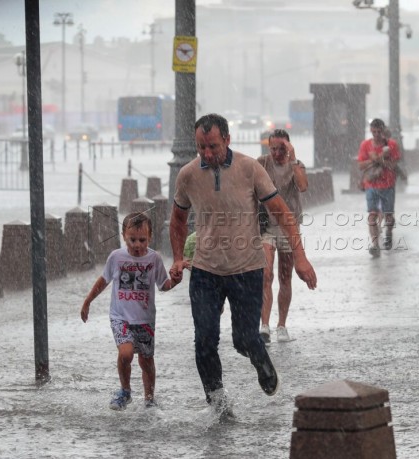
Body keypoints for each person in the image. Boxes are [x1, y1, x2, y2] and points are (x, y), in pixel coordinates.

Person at [169, 113, 317, 417]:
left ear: (227, 139)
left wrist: (300, 257)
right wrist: (176, 257)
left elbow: (282, 212)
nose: (207, 154)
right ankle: (218, 402)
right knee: (205, 340)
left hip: (247, 268)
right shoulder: (187, 174)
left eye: (212, 146)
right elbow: (178, 219)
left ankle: (259, 357)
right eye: (201, 148)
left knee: (243, 339)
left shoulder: (249, 169)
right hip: (206, 271)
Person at [80, 212, 182, 411]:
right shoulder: (116, 257)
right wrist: (87, 301)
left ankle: (149, 399)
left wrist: (175, 282)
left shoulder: (154, 259)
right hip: (121, 317)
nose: (137, 245)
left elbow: (163, 285)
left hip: (145, 319)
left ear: (150, 237)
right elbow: (103, 281)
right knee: (126, 354)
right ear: (123, 236)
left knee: (146, 360)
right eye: (132, 239)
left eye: (142, 240)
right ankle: (125, 391)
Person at [257, 129, 308, 344]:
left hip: (288, 227)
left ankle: (282, 325)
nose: (277, 153)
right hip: (266, 226)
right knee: (266, 274)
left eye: (282, 148)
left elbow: (303, 186)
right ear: (268, 148)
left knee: (285, 277)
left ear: (289, 146)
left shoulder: (296, 165)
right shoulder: (261, 163)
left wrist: (293, 158)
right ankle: (265, 325)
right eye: (273, 148)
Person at [357, 118, 401, 257]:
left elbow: (394, 165)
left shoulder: (392, 145)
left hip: (388, 184)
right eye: (374, 131)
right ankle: (375, 245)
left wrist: (383, 160)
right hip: (371, 184)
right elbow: (360, 165)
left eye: (379, 131)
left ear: (383, 131)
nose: (376, 134)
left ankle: (388, 232)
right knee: (372, 215)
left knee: (388, 215)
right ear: (370, 130)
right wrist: (375, 159)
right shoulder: (365, 145)